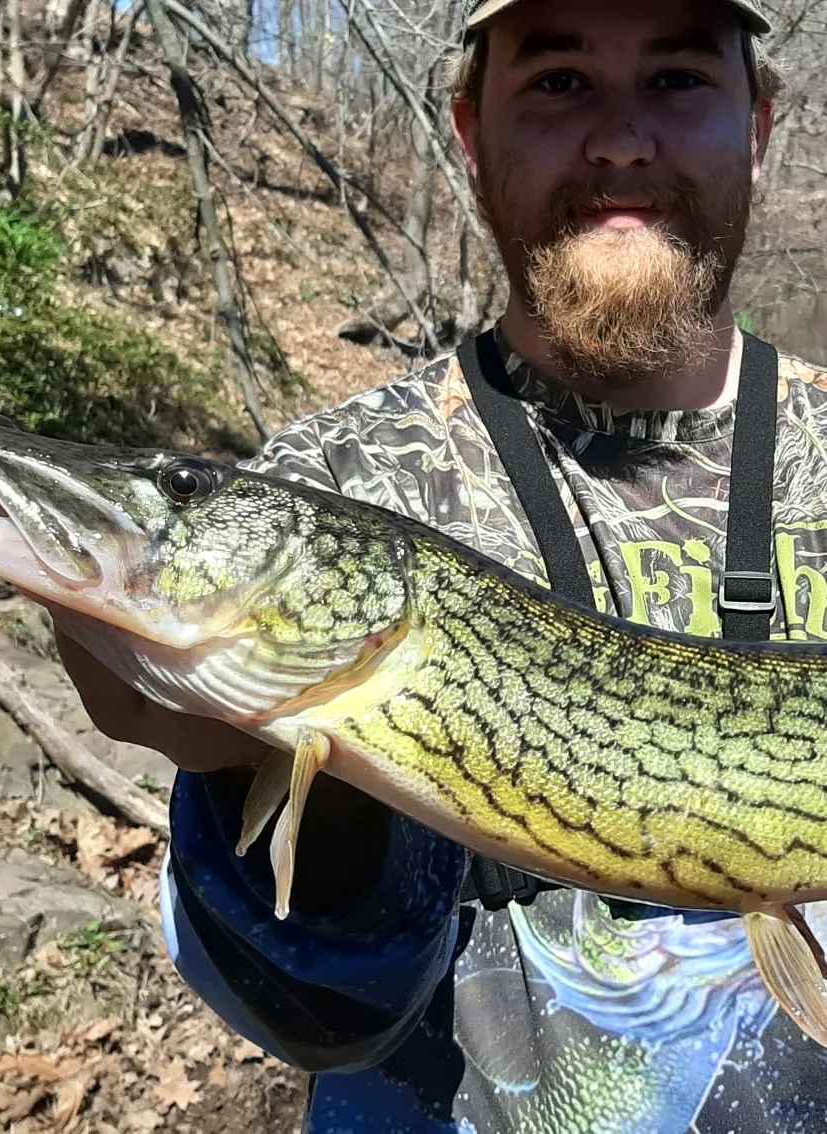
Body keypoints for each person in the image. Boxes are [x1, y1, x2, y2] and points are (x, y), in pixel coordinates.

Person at [51, 0, 827, 1128]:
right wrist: (245, 794)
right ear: (470, 130)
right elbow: (302, 1012)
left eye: (676, 81)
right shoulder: (339, 483)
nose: (619, 139)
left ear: (757, 124)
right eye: (559, 82)